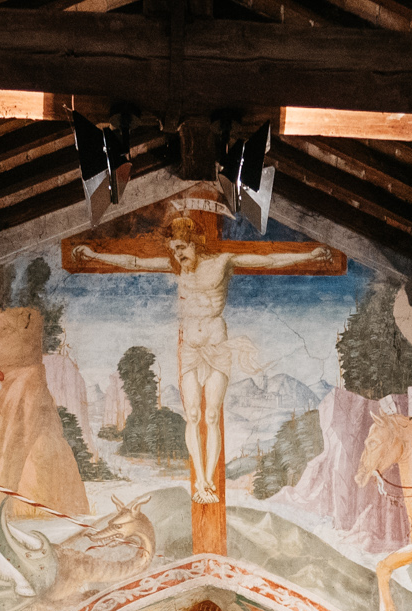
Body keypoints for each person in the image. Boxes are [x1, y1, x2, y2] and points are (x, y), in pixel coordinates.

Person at [69, 212, 341, 503]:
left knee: (211, 415)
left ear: (195, 242)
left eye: (181, 247)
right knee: (192, 415)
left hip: (216, 346)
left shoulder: (222, 262)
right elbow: (134, 261)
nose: (177, 254)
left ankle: (209, 479)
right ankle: (199, 479)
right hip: (190, 349)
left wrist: (309, 254)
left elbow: (269, 259)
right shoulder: (177, 269)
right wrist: (93, 254)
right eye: (173, 249)